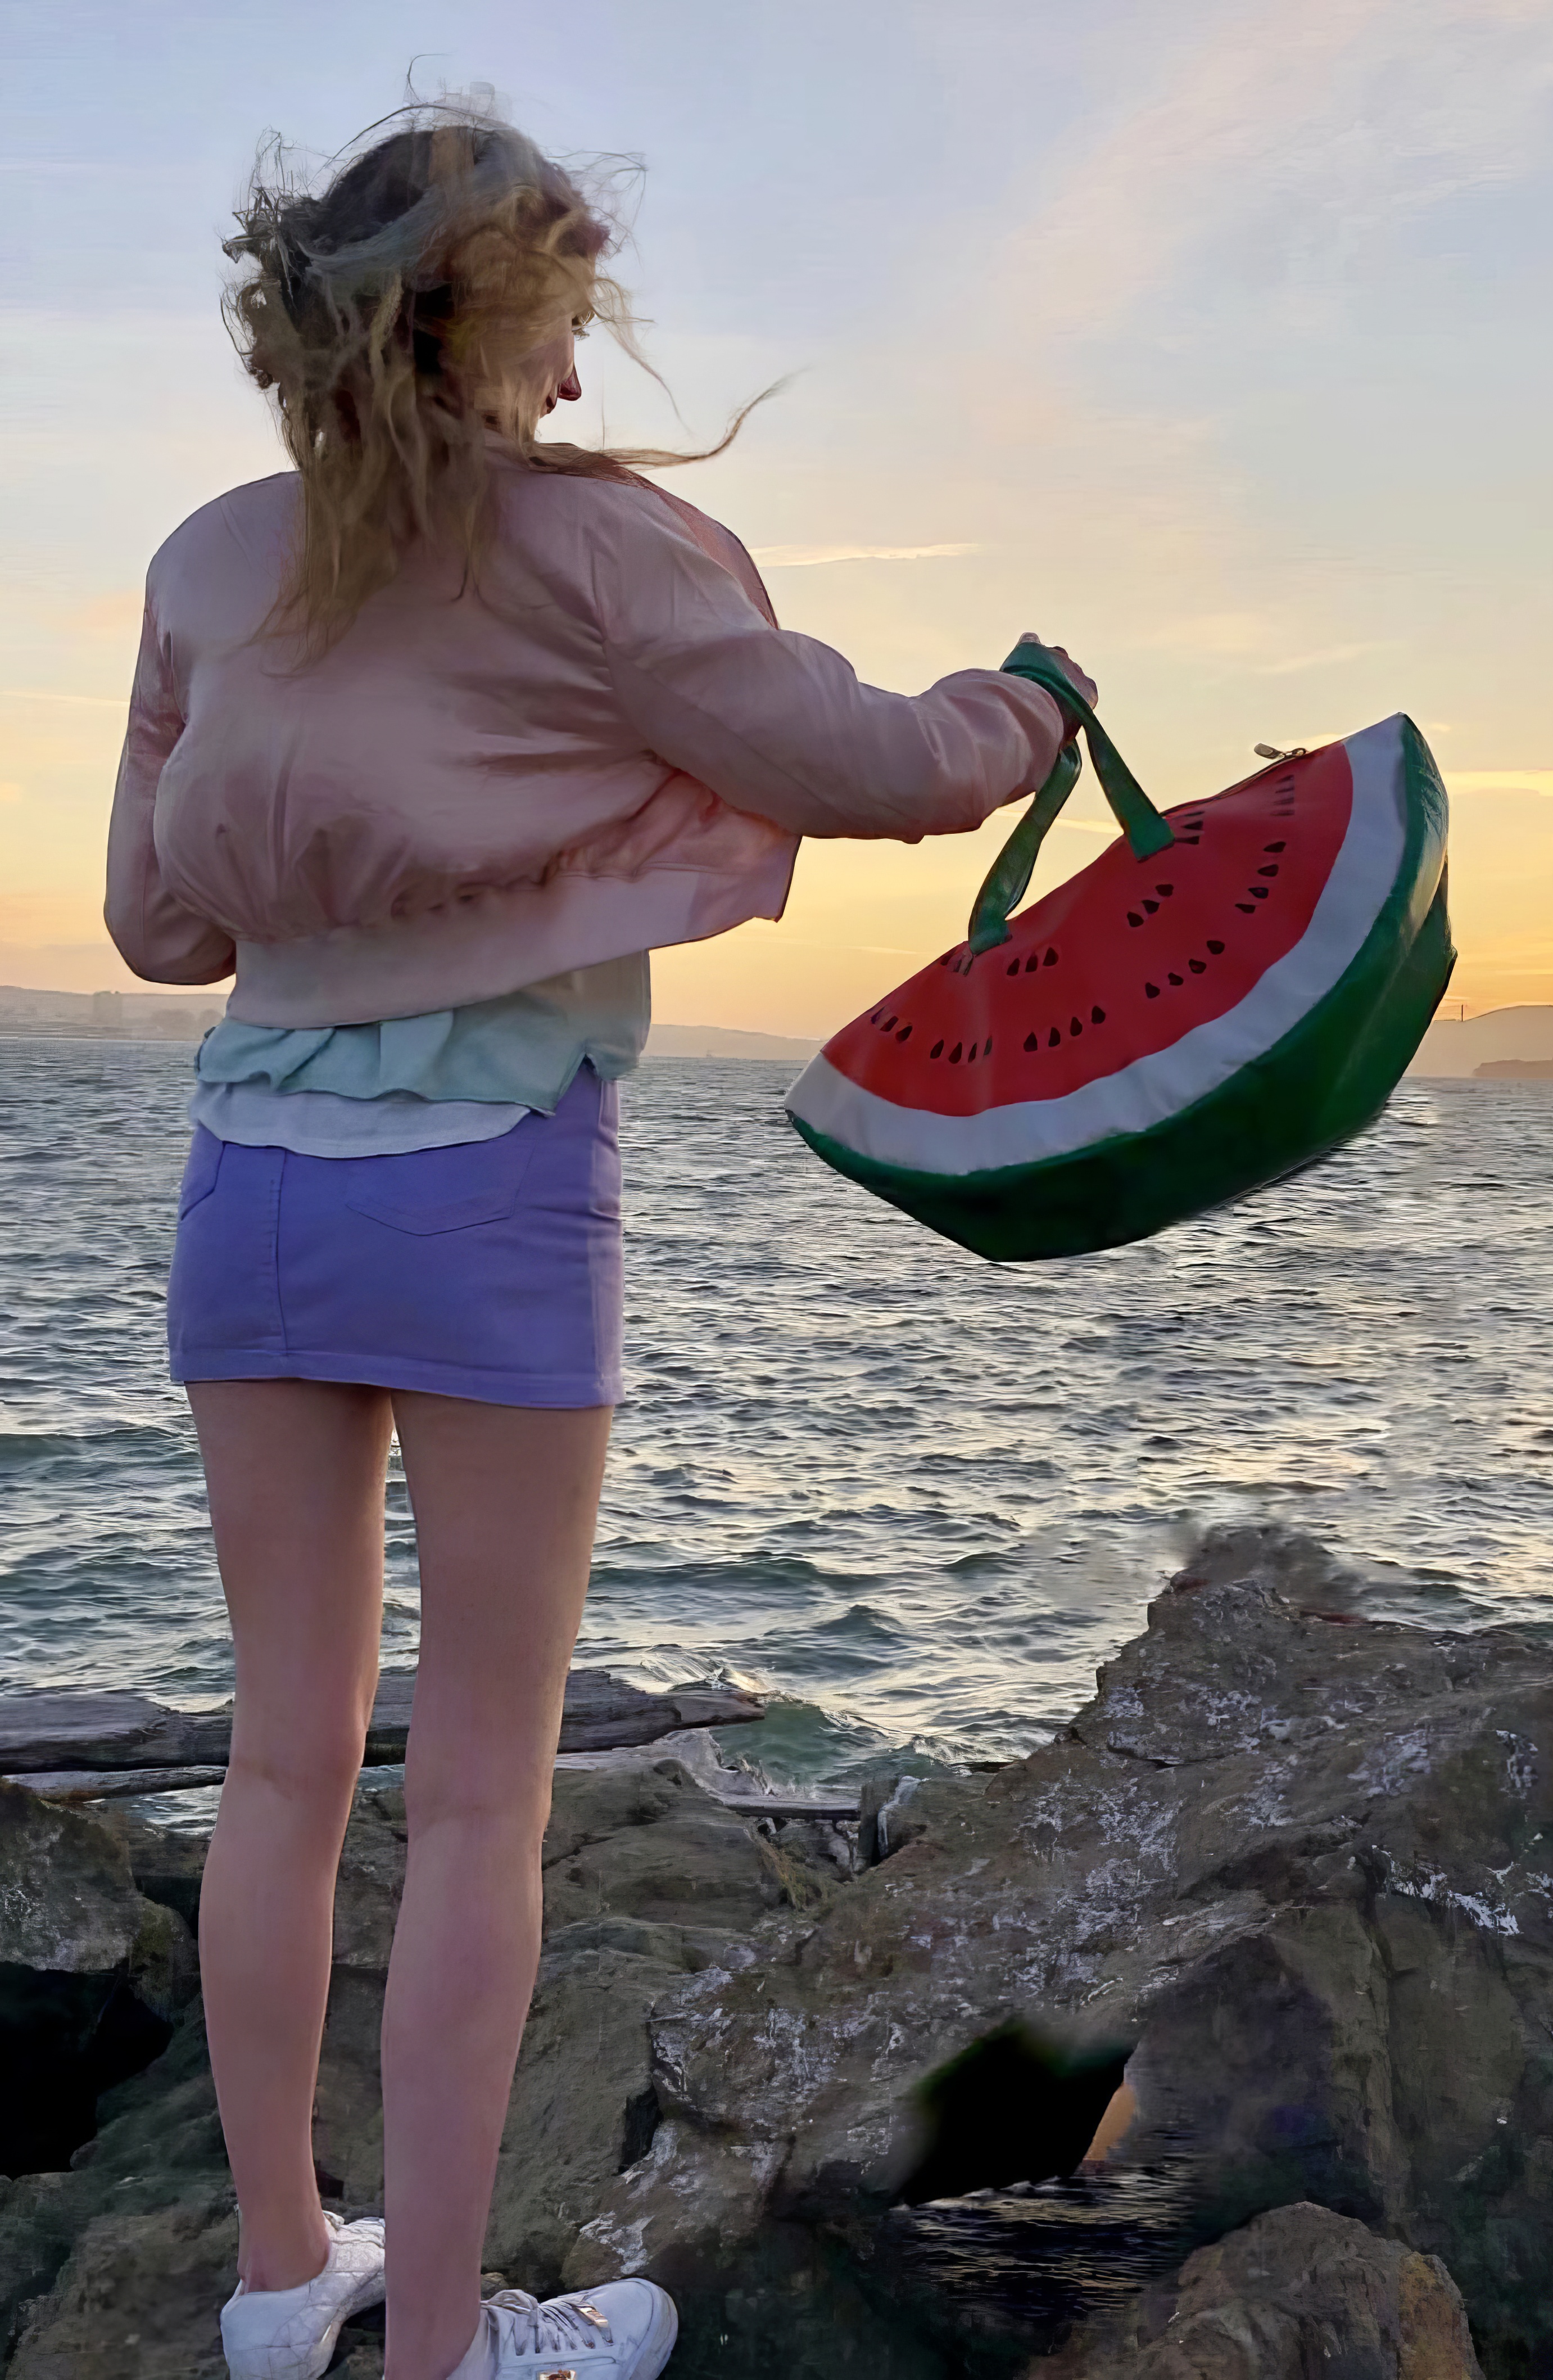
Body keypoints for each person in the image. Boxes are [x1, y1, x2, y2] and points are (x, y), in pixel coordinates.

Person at [104, 105, 1093, 2380]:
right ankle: (446, 2347)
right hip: (488, 1190)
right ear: (510, 322)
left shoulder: (203, 561)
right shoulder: (606, 556)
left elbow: (158, 923)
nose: (571, 391)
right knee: (476, 1798)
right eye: (558, 338)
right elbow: (871, 756)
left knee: (277, 1763)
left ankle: (285, 2292)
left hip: (247, 1185)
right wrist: (1027, 716)